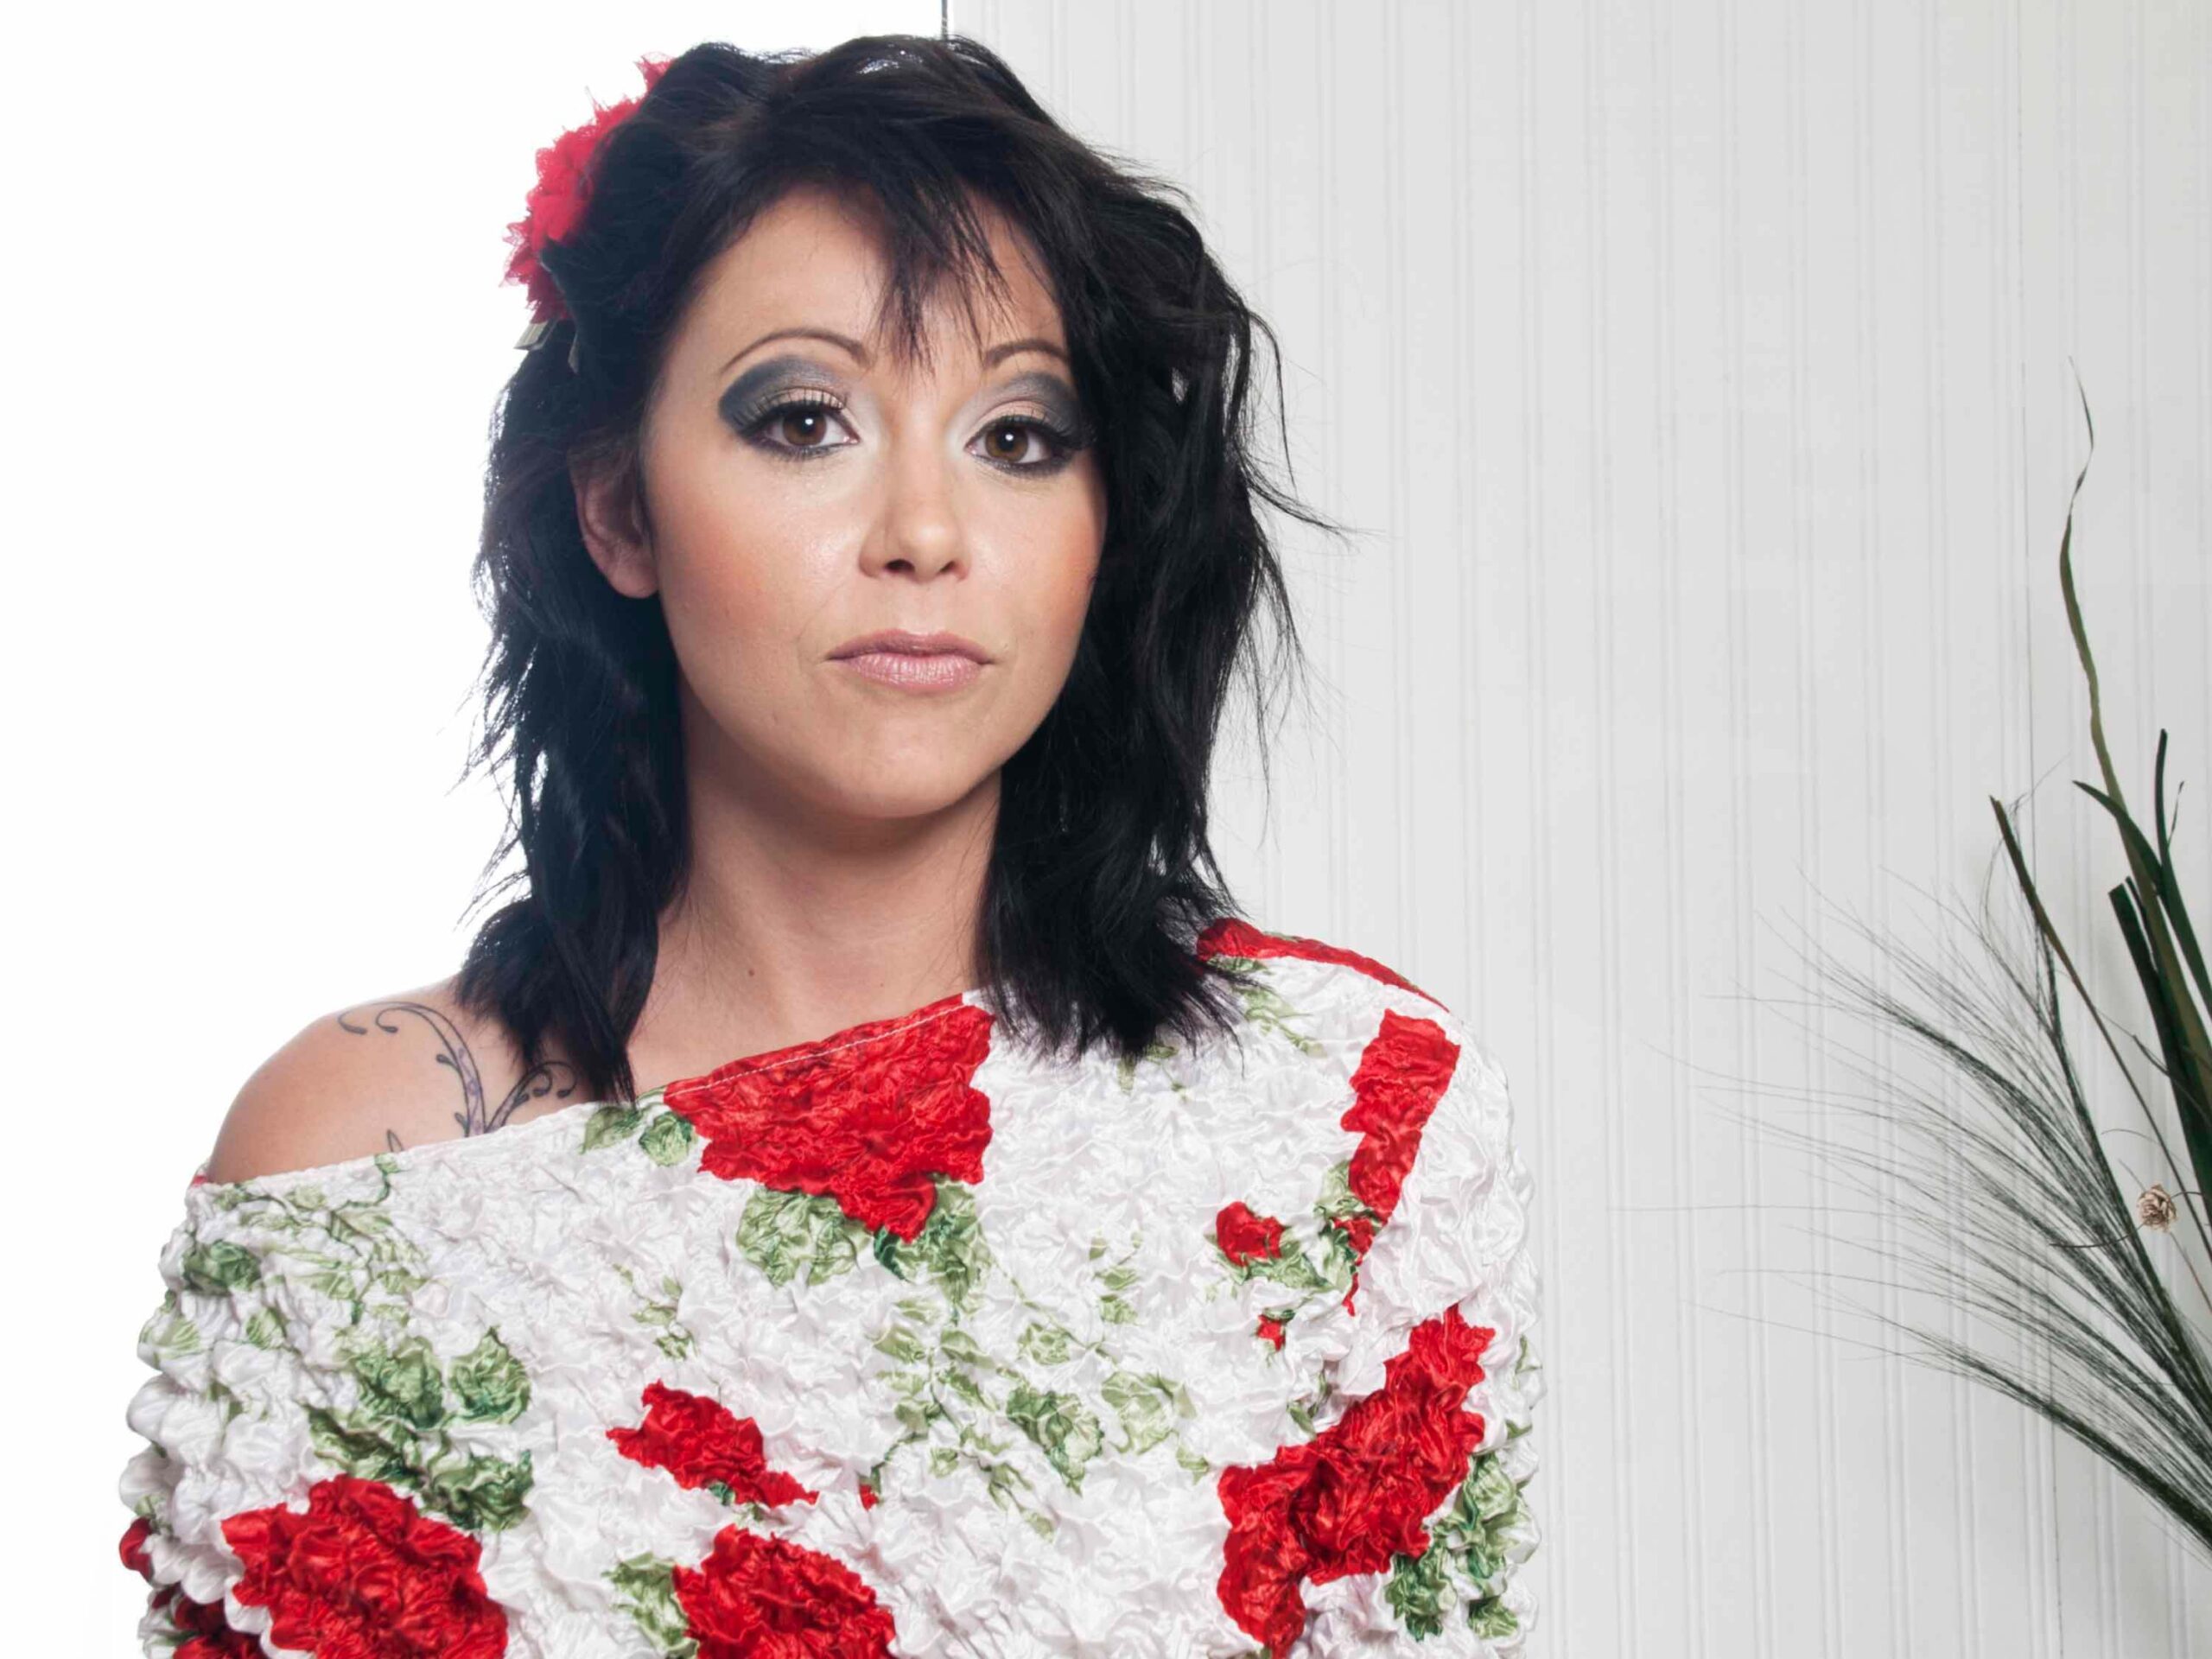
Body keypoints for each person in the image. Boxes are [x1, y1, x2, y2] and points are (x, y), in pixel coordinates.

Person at [112, 33, 1542, 1658]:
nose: (925, 534)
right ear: (619, 507)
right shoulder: (364, 1170)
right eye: (806, 421)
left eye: (1019, 437)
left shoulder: (1346, 1118)